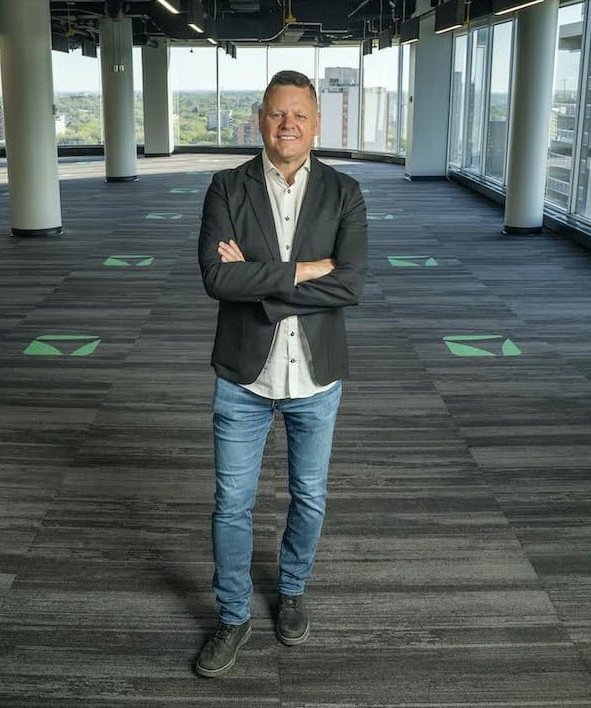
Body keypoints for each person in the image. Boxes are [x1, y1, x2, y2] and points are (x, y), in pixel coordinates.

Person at [195, 70, 368, 678]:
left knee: (310, 497)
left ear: (316, 122)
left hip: (316, 378)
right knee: (231, 504)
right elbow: (218, 280)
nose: (287, 124)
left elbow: (351, 284)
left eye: (299, 114)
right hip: (243, 375)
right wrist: (305, 270)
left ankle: (291, 589)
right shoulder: (225, 187)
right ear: (260, 121)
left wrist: (263, 276)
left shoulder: (345, 192)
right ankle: (233, 615)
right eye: (276, 114)